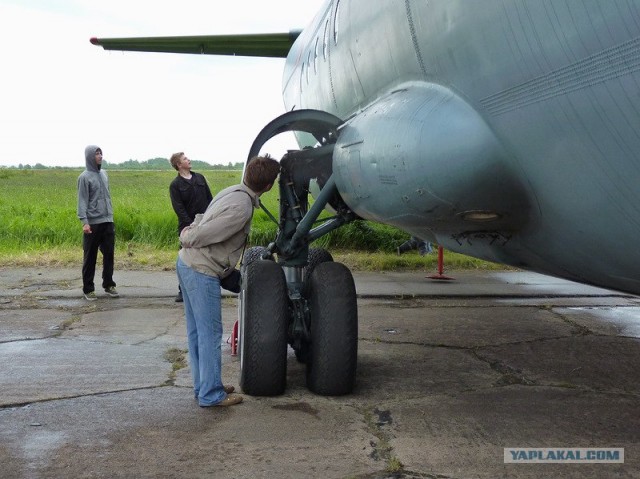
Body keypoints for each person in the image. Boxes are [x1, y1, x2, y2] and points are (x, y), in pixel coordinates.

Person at [176, 154, 280, 407]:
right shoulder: (242, 207)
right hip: (201, 269)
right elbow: (204, 232)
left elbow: (202, 216)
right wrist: (187, 235)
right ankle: (211, 395)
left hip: (188, 264)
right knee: (210, 334)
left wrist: (191, 231)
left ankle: (204, 386)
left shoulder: (232, 191)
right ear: (268, 186)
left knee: (197, 333)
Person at [169, 152, 213, 302]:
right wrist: (190, 225)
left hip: (205, 224)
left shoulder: (199, 178)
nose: (189, 160)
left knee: (206, 256)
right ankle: (183, 290)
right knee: (185, 258)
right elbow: (178, 207)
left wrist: (210, 217)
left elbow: (210, 199)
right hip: (187, 227)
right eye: (185, 159)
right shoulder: (175, 185)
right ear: (179, 165)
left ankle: (206, 287)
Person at [77, 145, 118, 301]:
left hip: (107, 220)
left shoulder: (105, 174)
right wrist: (85, 222)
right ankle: (88, 289)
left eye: (101, 153)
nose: (100, 156)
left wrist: (110, 216)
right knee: (90, 256)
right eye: (96, 154)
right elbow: (82, 200)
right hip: (92, 223)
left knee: (109, 254)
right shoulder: (84, 177)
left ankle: (109, 285)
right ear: (89, 157)